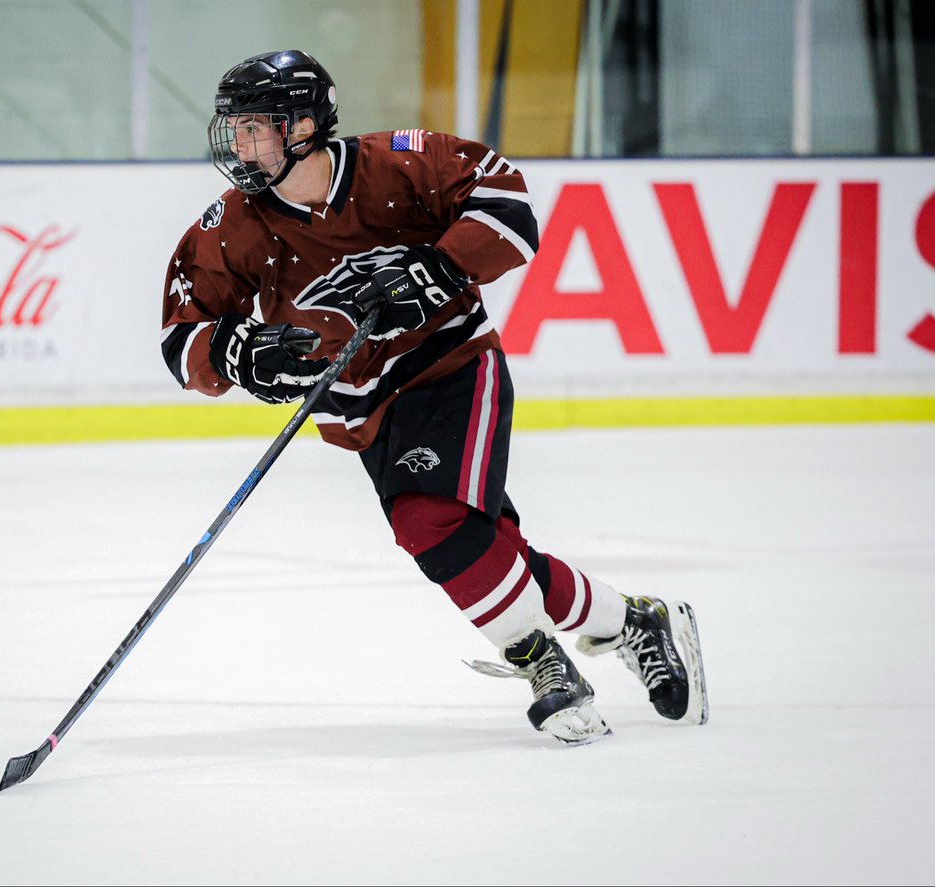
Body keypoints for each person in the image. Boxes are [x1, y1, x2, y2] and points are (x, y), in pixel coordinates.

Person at [160, 49, 708, 744]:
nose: (237, 144)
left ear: (301, 125)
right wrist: (238, 352)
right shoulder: (230, 226)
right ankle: (633, 621)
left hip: (448, 368)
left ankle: (544, 664)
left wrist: (440, 266)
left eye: (252, 127)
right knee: (486, 551)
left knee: (429, 523)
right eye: (232, 128)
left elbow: (508, 203)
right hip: (357, 412)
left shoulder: (398, 165)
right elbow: (182, 336)